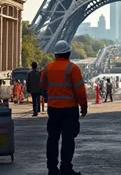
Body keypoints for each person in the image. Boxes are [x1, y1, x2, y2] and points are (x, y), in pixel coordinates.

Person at [40, 40, 88, 175]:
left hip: (53, 109)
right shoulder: (72, 68)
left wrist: (49, 98)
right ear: (69, 53)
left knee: (52, 139)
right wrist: (83, 107)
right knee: (68, 140)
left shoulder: (47, 68)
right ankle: (66, 168)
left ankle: (52, 168)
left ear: (55, 54)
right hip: (69, 109)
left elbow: (42, 86)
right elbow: (80, 91)